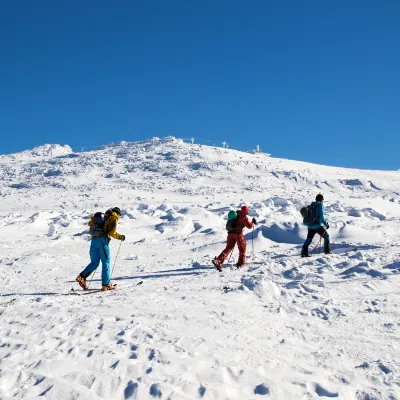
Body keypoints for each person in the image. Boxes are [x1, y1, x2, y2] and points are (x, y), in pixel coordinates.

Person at [76, 207, 126, 290]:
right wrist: (120, 237)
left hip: (94, 240)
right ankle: (106, 284)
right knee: (106, 262)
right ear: (117, 213)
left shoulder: (101, 218)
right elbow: (111, 232)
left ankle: (81, 276)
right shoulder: (114, 217)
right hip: (102, 241)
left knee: (94, 262)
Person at [213, 205, 256, 271]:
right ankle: (241, 263)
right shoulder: (243, 217)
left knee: (228, 248)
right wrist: (253, 223)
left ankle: (218, 260)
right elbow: (249, 226)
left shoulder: (235, 214)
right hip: (238, 235)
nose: (247, 213)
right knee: (242, 249)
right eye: (247, 212)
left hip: (230, 234)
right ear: (245, 211)